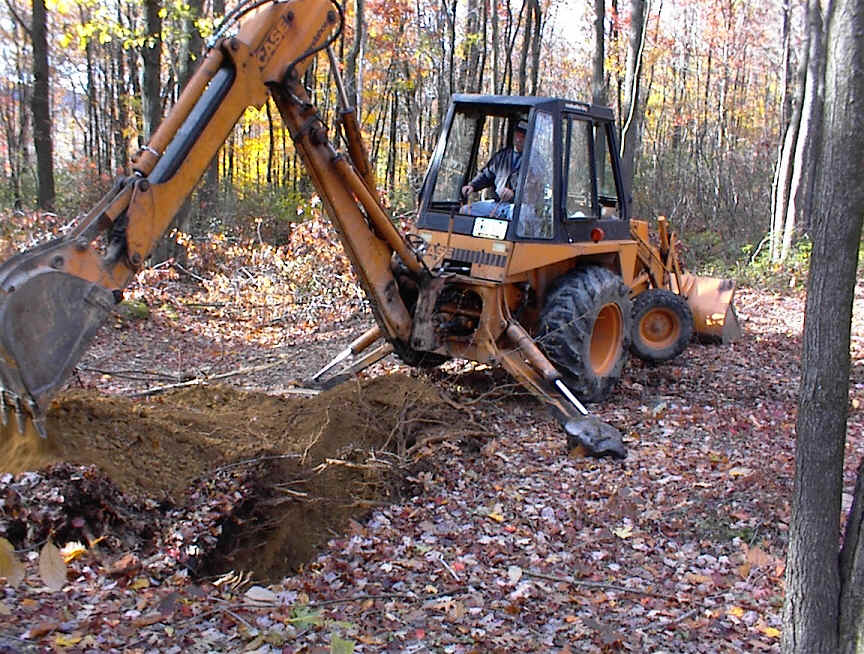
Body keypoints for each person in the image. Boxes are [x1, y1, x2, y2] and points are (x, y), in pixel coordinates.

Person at [460, 119, 527, 219]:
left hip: (518, 207)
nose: (519, 139)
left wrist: (515, 194)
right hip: (497, 204)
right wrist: (473, 185)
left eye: (523, 136)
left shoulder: (534, 161)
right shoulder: (502, 156)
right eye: (517, 135)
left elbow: (535, 190)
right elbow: (487, 174)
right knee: (465, 210)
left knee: (518, 217)